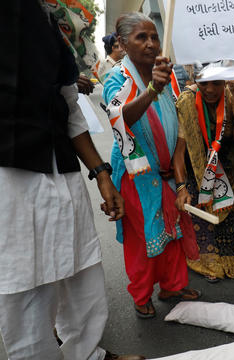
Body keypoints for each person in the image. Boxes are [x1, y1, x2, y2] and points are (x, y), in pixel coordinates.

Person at [0, 2, 139, 359]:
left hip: (63, 173)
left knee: (83, 277)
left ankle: (88, 354)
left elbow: (70, 109)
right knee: (26, 292)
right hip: (12, 180)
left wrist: (101, 173)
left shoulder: (57, 26)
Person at [103, 13, 200, 319]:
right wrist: (151, 92)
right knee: (144, 238)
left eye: (154, 37)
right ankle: (141, 294)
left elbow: (176, 128)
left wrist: (180, 178)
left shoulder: (166, 75)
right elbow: (119, 120)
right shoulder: (117, 79)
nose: (150, 44)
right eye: (140, 37)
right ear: (122, 43)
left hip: (167, 174)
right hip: (135, 176)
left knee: (173, 233)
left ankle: (172, 286)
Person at [173, 67, 234, 283]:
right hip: (197, 174)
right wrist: (180, 188)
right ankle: (205, 260)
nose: (209, 89)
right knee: (203, 229)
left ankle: (229, 256)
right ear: (194, 79)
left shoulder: (233, 94)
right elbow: (179, 152)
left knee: (231, 243)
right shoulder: (186, 102)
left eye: (216, 83)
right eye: (203, 83)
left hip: (228, 174)